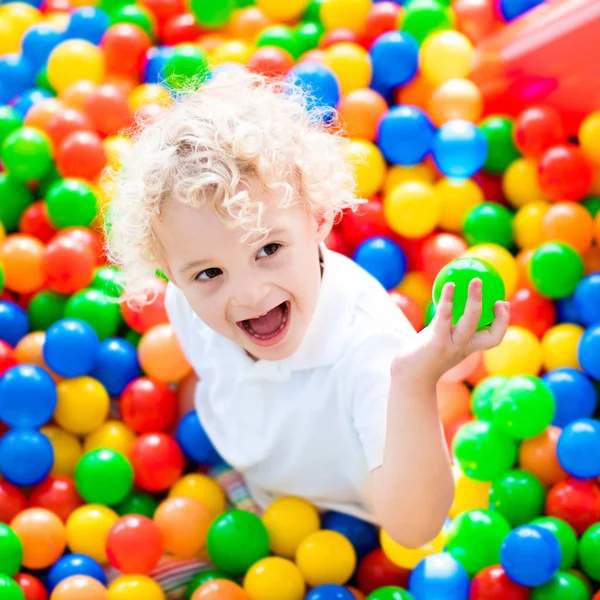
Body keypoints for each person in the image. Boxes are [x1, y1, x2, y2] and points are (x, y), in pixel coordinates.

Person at [105, 67, 509, 593]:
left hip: (355, 523)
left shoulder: (371, 349)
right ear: (166, 268)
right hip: (250, 490)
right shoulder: (186, 300)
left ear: (317, 218)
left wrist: (415, 381)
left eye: (268, 249)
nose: (247, 293)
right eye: (210, 273)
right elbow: (212, 380)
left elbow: (415, 527)